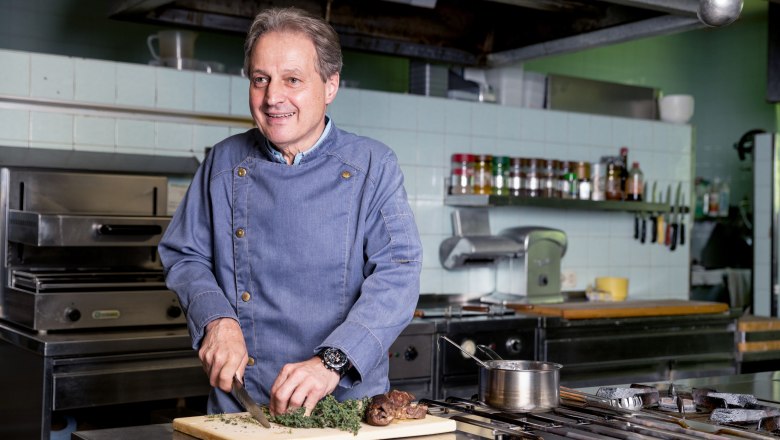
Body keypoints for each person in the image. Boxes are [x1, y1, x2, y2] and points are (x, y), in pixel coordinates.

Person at [158, 7, 422, 417]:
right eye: (260, 79)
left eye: (292, 80)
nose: (272, 97)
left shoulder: (373, 164)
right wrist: (217, 320)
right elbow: (185, 254)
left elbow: (399, 271)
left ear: (330, 85)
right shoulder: (224, 162)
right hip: (243, 404)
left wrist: (332, 362)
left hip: (345, 407)